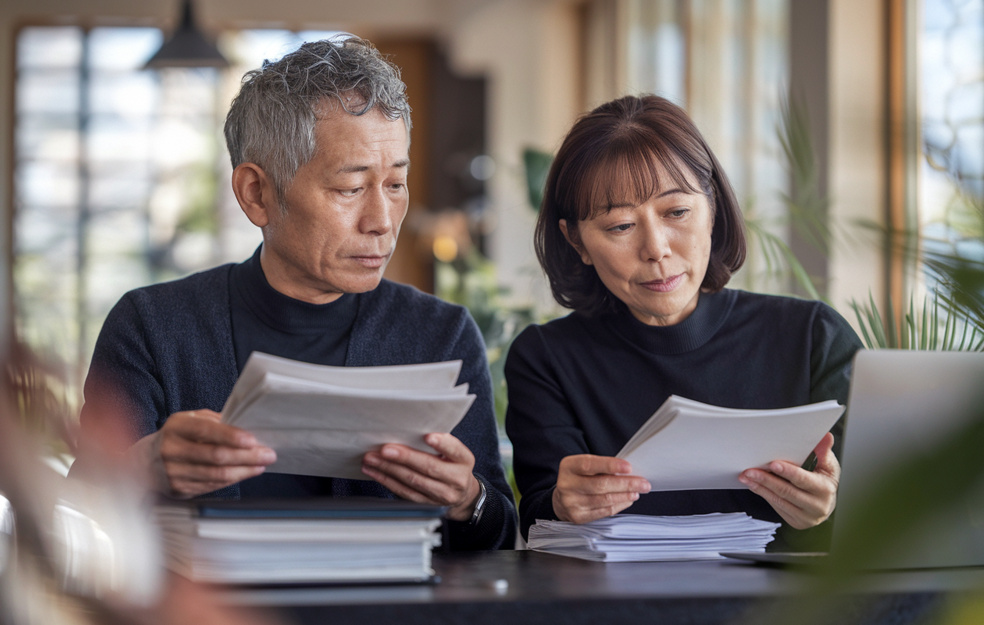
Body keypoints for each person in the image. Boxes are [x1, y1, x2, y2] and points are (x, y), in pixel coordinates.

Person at [71, 36, 516, 551]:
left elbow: (501, 535)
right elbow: (77, 518)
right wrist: (144, 466)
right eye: (350, 189)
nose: (381, 221)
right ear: (256, 194)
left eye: (395, 184)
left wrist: (469, 500)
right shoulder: (152, 326)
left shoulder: (440, 334)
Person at [505, 94, 862, 551]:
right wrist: (562, 503)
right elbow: (537, 517)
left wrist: (830, 509)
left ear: (712, 209)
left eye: (676, 212)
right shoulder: (546, 358)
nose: (656, 248)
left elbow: (896, 514)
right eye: (620, 226)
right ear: (577, 242)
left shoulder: (812, 338)